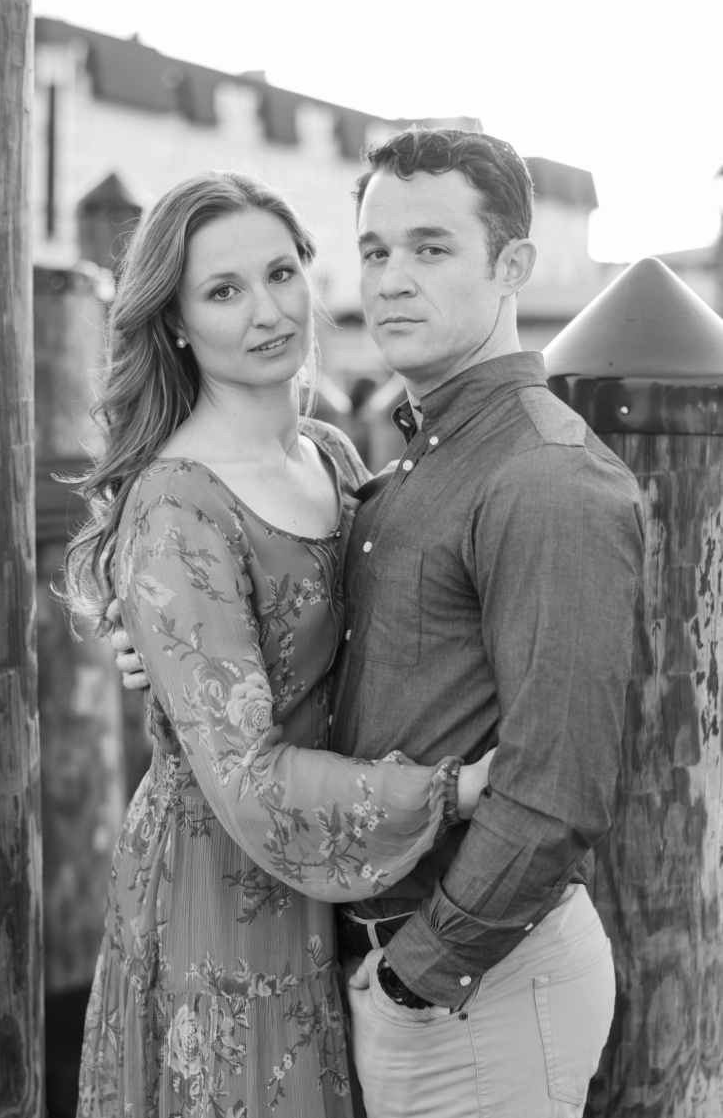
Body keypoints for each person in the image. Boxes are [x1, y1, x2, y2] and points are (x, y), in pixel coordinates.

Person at [110, 129, 644, 1117]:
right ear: (175, 321)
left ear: (512, 266)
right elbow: (274, 677)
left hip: (434, 961)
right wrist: (165, 655)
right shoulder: (373, 472)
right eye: (376, 250)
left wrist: (415, 972)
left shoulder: (493, 472)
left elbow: (559, 782)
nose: (392, 279)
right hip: (250, 908)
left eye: (430, 249)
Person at [61, 170, 495, 1118]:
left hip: (338, 878)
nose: (267, 311)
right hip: (222, 884)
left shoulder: (334, 458)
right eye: (224, 291)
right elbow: (247, 774)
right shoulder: (177, 504)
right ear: (174, 322)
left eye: (281, 272)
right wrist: (454, 788)